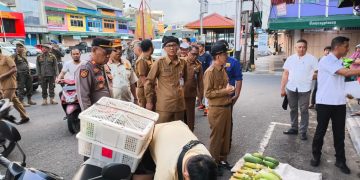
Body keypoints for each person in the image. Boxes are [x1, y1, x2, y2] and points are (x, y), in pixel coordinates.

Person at [311, 36, 360, 174]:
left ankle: (340, 161)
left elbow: (340, 79)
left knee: (339, 134)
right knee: (320, 131)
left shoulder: (340, 61)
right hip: (325, 102)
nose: (348, 49)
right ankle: (316, 155)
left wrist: (348, 91)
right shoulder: (326, 60)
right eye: (346, 46)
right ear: (337, 47)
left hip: (339, 102)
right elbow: (346, 72)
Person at [203, 43, 234, 175]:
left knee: (225, 136)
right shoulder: (210, 72)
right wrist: (225, 91)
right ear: (217, 56)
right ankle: (213, 165)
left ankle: (222, 160)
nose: (227, 56)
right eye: (224, 54)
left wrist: (228, 91)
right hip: (217, 109)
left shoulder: (222, 69)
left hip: (226, 107)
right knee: (216, 139)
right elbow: (208, 93)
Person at [149, 120, 217, 180]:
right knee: (146, 173)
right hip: (154, 135)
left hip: (179, 128)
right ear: (186, 175)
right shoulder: (166, 172)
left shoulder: (208, 161)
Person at [280, 39, 318, 141]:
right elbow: (285, 74)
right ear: (295, 48)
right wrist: (282, 88)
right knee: (293, 109)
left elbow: (318, 73)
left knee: (304, 110)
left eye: (303, 47)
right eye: (299, 47)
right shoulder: (290, 59)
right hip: (291, 87)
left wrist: (310, 77)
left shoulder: (312, 59)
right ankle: (294, 128)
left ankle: (303, 131)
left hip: (305, 89)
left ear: (306, 48)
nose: (301, 49)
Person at [144, 36, 187, 123]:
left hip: (179, 106)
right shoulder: (159, 62)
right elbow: (148, 82)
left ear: (178, 47)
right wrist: (149, 101)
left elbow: (185, 80)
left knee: (178, 132)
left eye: (174, 45)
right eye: (168, 45)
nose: (171, 48)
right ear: (164, 48)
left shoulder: (183, 63)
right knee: (162, 131)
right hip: (165, 106)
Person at [216, 40, 243, 149]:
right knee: (216, 121)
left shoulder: (234, 62)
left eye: (225, 51)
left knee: (227, 120)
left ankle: (227, 142)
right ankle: (218, 143)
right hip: (216, 96)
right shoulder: (213, 63)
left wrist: (237, 95)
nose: (225, 54)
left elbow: (239, 79)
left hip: (228, 96)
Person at [75, 38, 113, 111]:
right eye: (105, 52)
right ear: (94, 50)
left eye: (109, 53)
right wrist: (89, 117)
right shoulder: (85, 68)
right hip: (95, 114)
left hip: (108, 110)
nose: (108, 56)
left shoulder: (104, 65)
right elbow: (83, 97)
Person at [0, 49, 29, 124]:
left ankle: (4, 122)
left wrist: (3, 76)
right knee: (15, 102)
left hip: (10, 84)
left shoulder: (6, 58)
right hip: (2, 85)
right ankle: (25, 117)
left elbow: (14, 69)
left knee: (4, 103)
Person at [108, 39, 137, 103]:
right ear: (110, 51)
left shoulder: (127, 63)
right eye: (115, 49)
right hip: (112, 103)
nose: (119, 51)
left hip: (127, 101)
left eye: (120, 48)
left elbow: (132, 82)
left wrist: (135, 98)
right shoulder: (105, 65)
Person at [184, 45, 203, 131]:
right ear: (188, 52)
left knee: (190, 119)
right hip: (179, 96)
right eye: (193, 54)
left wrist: (200, 97)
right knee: (180, 118)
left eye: (197, 55)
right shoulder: (181, 62)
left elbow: (200, 82)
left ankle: (190, 136)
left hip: (191, 96)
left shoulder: (198, 65)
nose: (194, 56)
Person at [11, 42, 36, 107]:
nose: (22, 48)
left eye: (22, 47)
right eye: (20, 47)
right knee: (21, 88)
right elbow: (11, 64)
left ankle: (29, 99)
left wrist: (29, 72)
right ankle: (21, 101)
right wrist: (15, 73)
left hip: (27, 73)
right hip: (20, 74)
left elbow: (27, 64)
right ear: (17, 48)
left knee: (29, 86)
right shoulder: (14, 55)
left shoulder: (23, 55)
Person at [135, 39, 155, 108]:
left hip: (151, 90)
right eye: (153, 46)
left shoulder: (149, 58)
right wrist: (149, 101)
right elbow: (144, 81)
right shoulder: (141, 60)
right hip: (144, 92)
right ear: (150, 48)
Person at [197, 41, 212, 115]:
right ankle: (201, 104)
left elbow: (210, 66)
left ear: (203, 47)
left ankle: (207, 108)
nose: (198, 48)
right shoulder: (196, 55)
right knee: (199, 92)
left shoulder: (207, 56)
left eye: (199, 46)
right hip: (197, 77)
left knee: (206, 92)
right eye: (197, 46)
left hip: (205, 76)